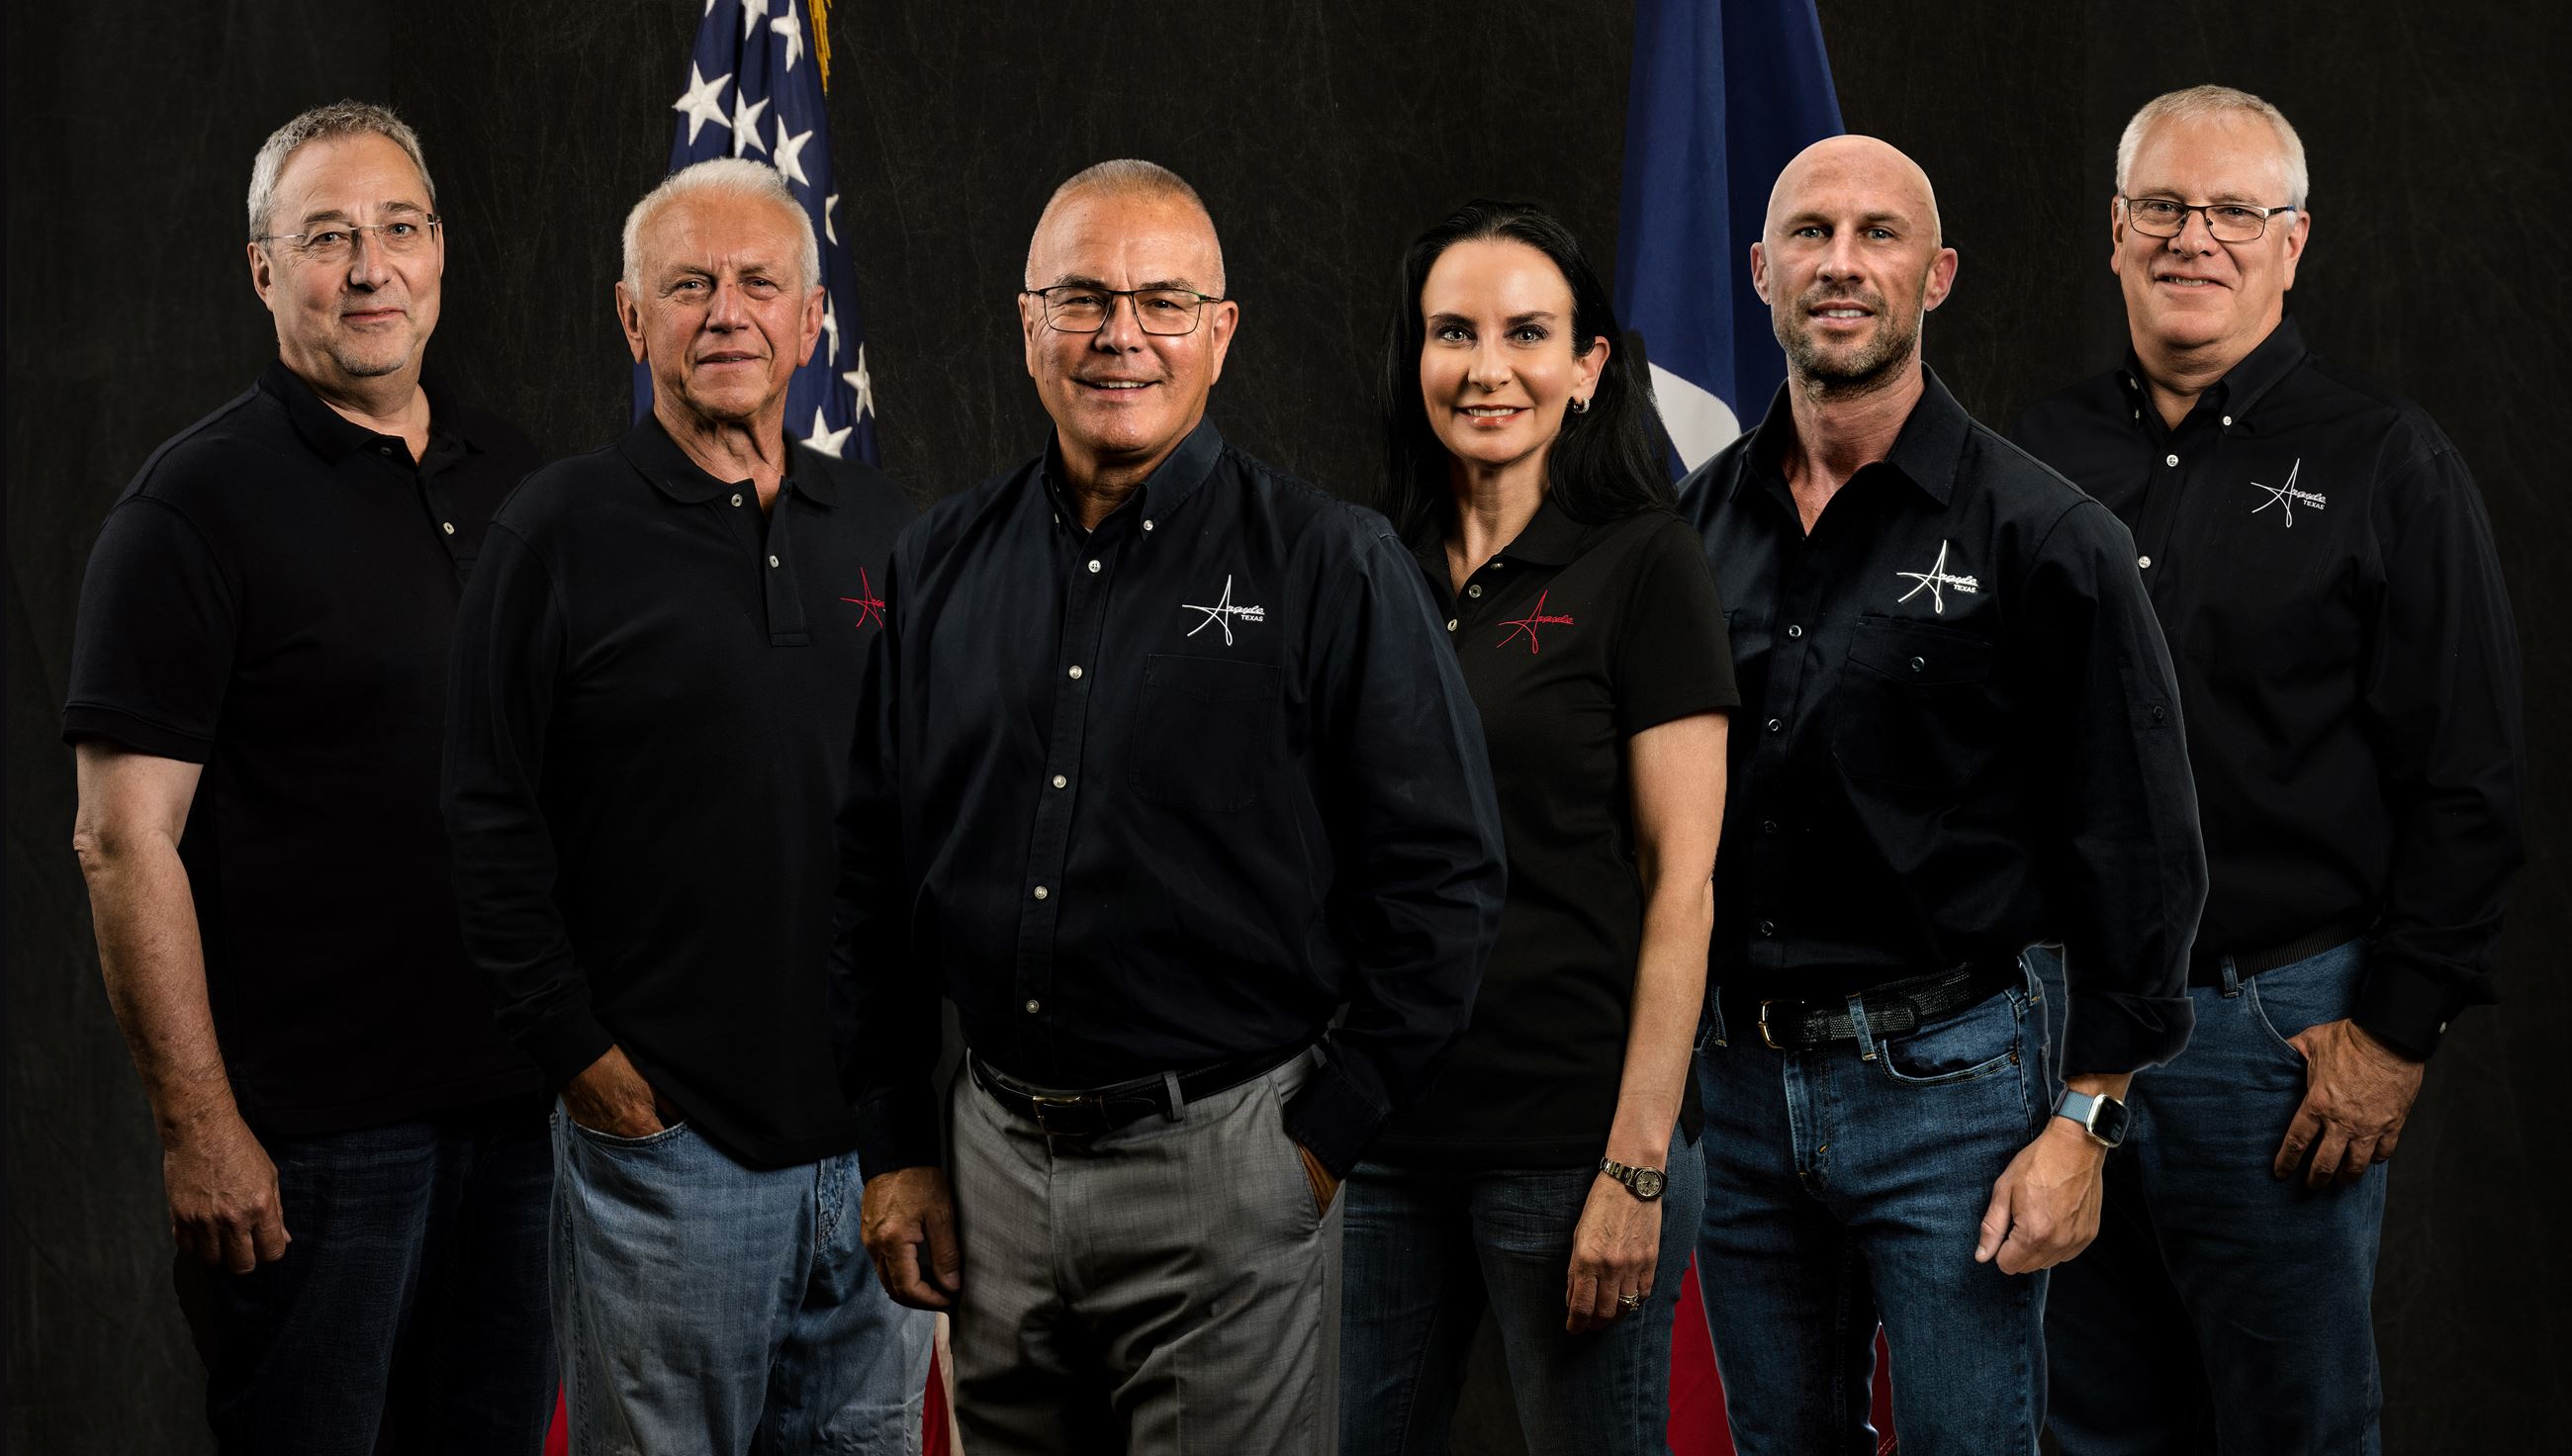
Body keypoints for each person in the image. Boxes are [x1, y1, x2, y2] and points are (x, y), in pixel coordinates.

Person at [842, 158, 1507, 1456]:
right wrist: (894, 1144)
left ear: (1221, 331)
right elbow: (871, 874)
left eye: (1161, 300)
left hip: (1227, 1162)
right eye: (1081, 299)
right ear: (1029, 325)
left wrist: (1316, 1144)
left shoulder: (1330, 564)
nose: (1120, 335)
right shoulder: (937, 565)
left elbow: (1448, 884)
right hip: (985, 1167)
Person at [2011, 85, 2524, 1455]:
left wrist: (2397, 1033)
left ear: (2292, 243)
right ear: (2116, 235)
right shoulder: (2025, 463)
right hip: (2050, 1042)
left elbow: (2470, 779)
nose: (2197, 237)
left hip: (2280, 1043)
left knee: (2293, 1431)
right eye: (2166, 208)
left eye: (2235, 210)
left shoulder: (2386, 461)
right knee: (2077, 1429)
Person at [1677, 136, 2208, 1453]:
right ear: (1759, 271)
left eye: (1877, 235)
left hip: (1953, 1090)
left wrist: (2088, 1115)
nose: (1841, 264)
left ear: (1938, 274)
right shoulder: (1693, 527)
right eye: (1809, 234)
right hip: (1738, 1097)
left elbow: (2137, 841)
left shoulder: (2047, 537)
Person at [62, 101, 553, 1453]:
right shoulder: (191, 508)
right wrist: (200, 1129)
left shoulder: (515, 477)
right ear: (265, 270)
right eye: (327, 237)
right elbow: (121, 843)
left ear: (442, 251)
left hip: (524, 1126)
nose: (371, 267)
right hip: (315, 1152)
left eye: (400, 229)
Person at [441, 157, 931, 1453]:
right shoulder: (554, 531)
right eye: (690, 286)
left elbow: (940, 812)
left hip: (876, 1157)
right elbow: (484, 815)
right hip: (671, 1151)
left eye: (760, 283)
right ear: (630, 317)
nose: (727, 313)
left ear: (811, 322)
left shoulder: (887, 525)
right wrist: (582, 1063)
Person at [1338, 200, 1734, 1455]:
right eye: (1452, 331)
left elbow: (1681, 883)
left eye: (1526, 332)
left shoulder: (1642, 563)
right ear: (1414, 357)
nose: (1486, 366)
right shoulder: (1366, 564)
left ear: (1588, 366)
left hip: (1567, 1152)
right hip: (1379, 1144)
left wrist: (1633, 1166)